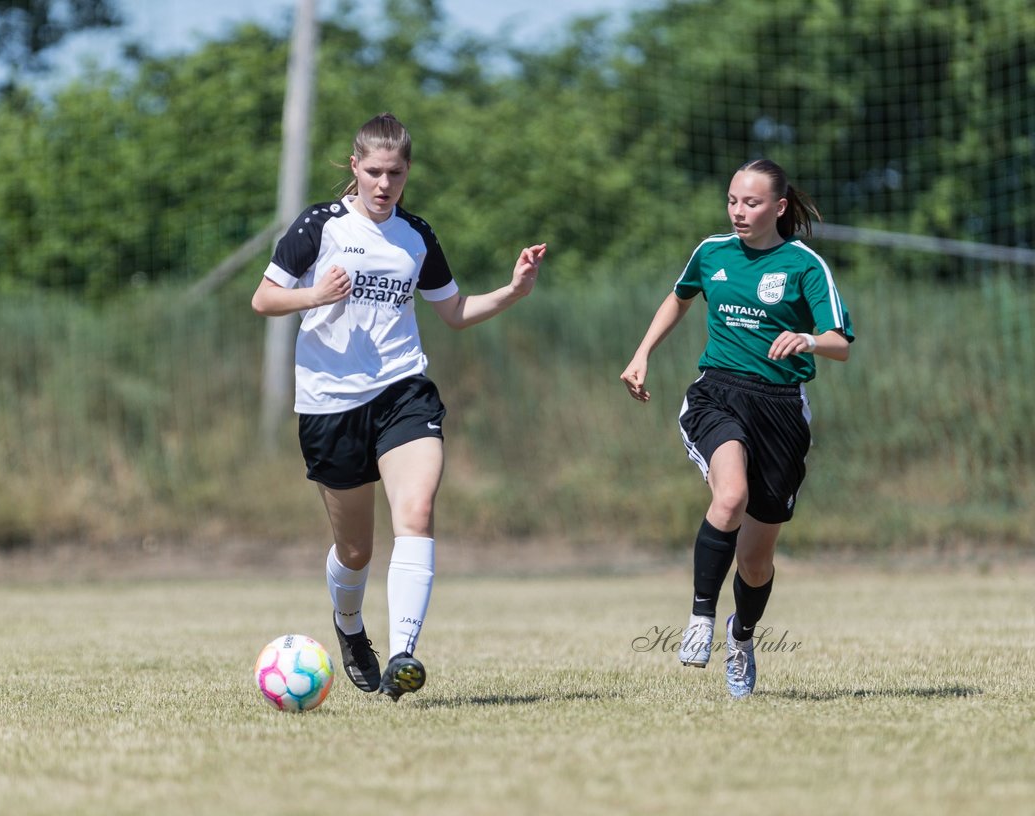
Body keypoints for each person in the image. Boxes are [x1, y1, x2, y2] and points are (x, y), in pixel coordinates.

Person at [252, 113, 547, 701]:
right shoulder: (320, 225)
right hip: (329, 405)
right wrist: (316, 294)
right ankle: (350, 626)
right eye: (374, 172)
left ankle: (404, 654)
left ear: (407, 172)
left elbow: (454, 311)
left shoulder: (416, 235)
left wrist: (513, 291)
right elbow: (264, 298)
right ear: (354, 167)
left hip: (401, 391)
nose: (384, 184)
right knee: (355, 550)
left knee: (415, 509)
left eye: (396, 173)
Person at [619, 158, 853, 699]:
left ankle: (741, 639)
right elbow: (679, 298)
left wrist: (810, 340)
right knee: (730, 496)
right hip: (718, 394)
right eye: (732, 200)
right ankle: (701, 617)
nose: (738, 211)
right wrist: (642, 354)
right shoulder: (712, 252)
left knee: (755, 559)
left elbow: (839, 342)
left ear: (779, 206)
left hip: (781, 411)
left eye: (750, 203)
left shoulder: (805, 265)